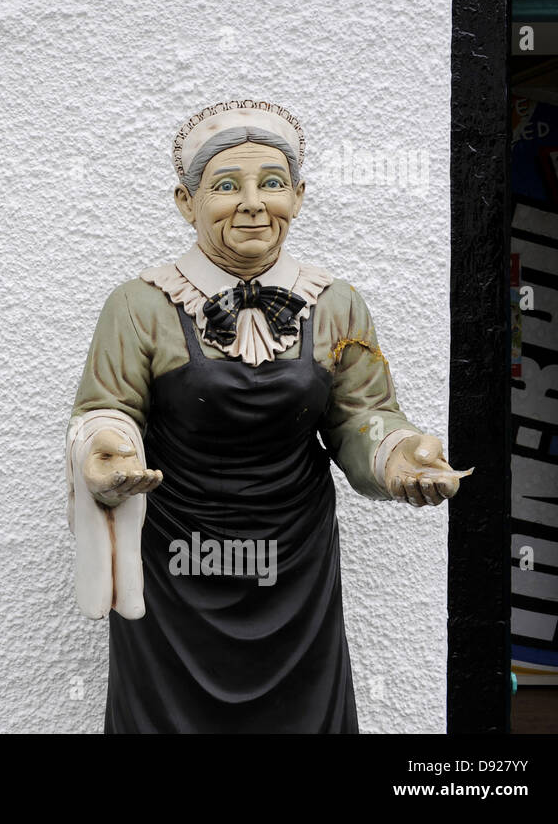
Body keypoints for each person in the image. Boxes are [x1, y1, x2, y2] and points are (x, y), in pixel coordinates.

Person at [65, 100, 466, 733]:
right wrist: (107, 450)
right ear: (185, 201)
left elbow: (363, 415)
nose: (253, 203)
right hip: (177, 561)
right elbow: (107, 406)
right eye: (227, 186)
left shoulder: (335, 304)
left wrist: (399, 456)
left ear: (299, 196)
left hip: (294, 562)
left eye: (272, 183)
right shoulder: (139, 305)